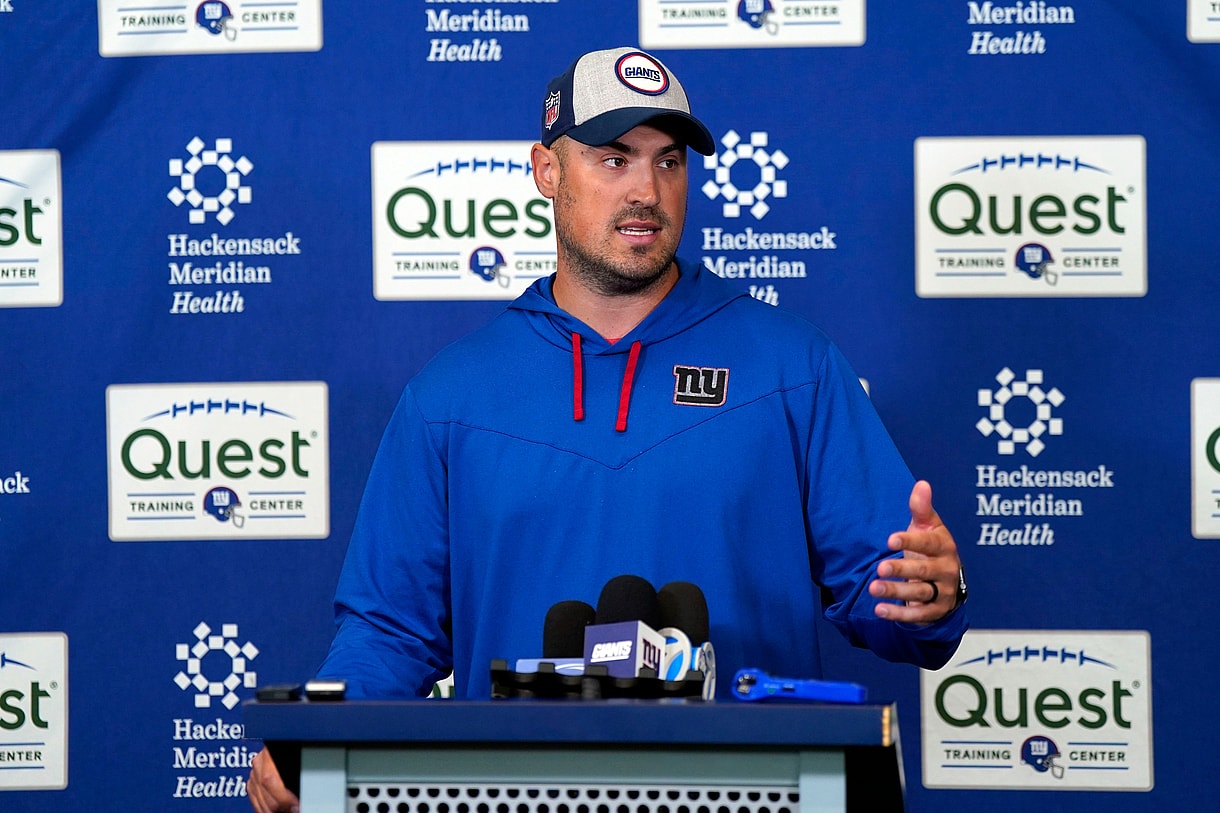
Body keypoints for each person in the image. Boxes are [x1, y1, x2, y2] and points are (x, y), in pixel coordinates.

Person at [248, 45, 968, 813]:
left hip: (749, 792)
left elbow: (892, 592)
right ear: (546, 171)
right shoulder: (451, 395)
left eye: (668, 162)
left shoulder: (795, 366)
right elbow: (390, 630)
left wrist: (931, 591)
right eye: (614, 158)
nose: (646, 192)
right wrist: (314, 749)